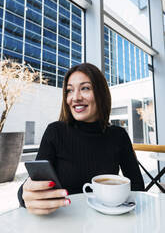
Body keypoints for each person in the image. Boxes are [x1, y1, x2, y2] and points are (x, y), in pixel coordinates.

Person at [18, 63, 144, 215]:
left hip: (107, 222)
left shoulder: (119, 135)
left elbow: (137, 188)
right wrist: (26, 194)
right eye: (69, 90)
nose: (75, 97)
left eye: (85, 88)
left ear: (101, 93)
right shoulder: (55, 131)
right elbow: (33, 184)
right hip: (62, 221)